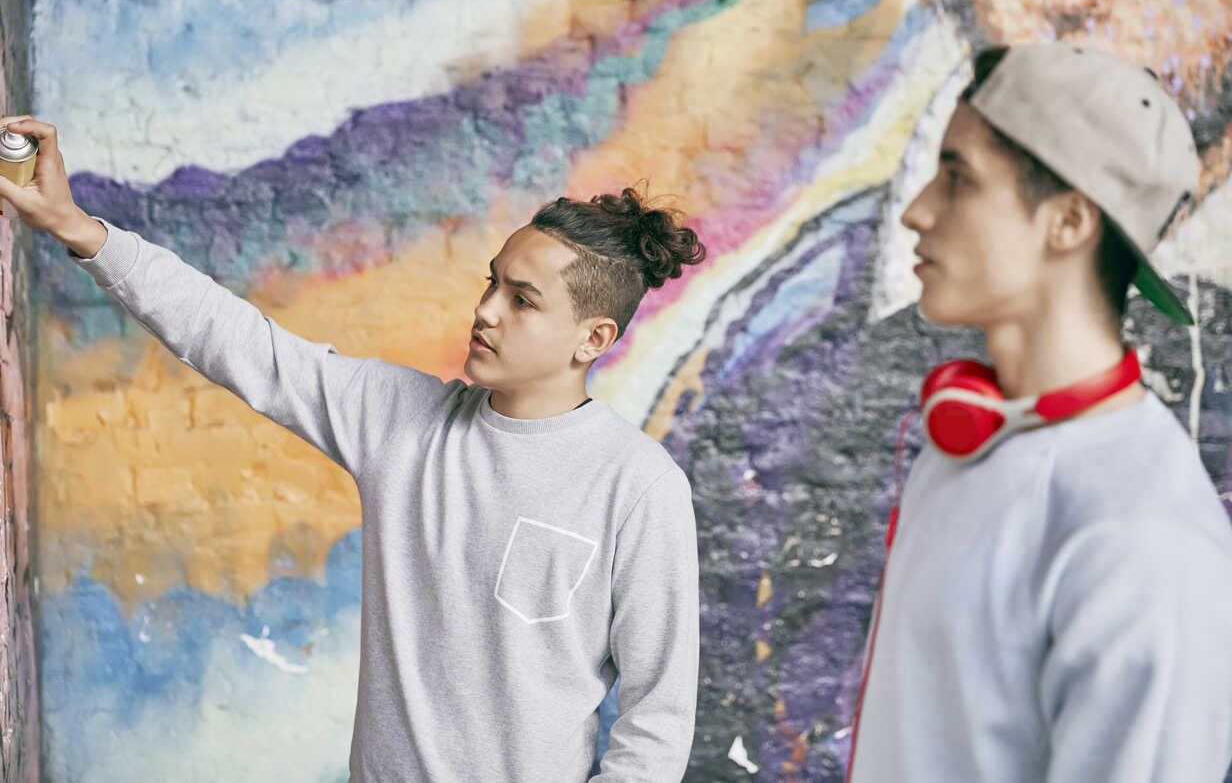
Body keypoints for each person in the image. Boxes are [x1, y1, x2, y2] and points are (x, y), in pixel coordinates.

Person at [0, 114, 705, 782]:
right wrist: (74, 226)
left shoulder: (638, 486)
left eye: (523, 300)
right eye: (492, 280)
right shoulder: (399, 419)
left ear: (593, 339)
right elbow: (233, 337)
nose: (486, 309)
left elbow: (656, 721)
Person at [846, 45, 1232, 781]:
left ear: (1068, 221)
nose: (917, 211)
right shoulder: (964, 445)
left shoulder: (1144, 539)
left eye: (958, 178)